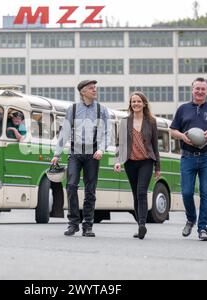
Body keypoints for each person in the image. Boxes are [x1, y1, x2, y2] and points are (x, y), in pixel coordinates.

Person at [51, 79, 110, 237]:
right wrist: (57, 154)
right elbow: (64, 132)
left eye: (95, 88)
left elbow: (107, 133)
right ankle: (73, 223)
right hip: (75, 154)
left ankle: (88, 226)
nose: (94, 90)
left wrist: (102, 150)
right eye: (91, 88)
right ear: (83, 92)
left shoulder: (102, 110)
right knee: (71, 186)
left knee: (90, 190)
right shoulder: (73, 109)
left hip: (93, 155)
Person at [170, 77, 207, 241]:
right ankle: (191, 218)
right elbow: (173, 130)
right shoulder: (183, 109)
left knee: (205, 193)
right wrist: (182, 136)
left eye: (203, 89)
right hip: (188, 157)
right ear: (192, 90)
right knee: (186, 192)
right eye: (197, 89)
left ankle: (203, 228)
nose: (200, 91)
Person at [114, 92, 161, 239]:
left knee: (142, 192)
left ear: (144, 104)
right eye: (133, 102)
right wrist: (117, 160)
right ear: (130, 104)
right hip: (130, 162)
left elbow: (155, 145)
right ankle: (139, 224)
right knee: (135, 194)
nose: (136, 104)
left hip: (146, 161)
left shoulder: (151, 122)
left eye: (138, 101)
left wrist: (157, 166)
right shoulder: (124, 122)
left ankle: (142, 225)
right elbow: (119, 144)